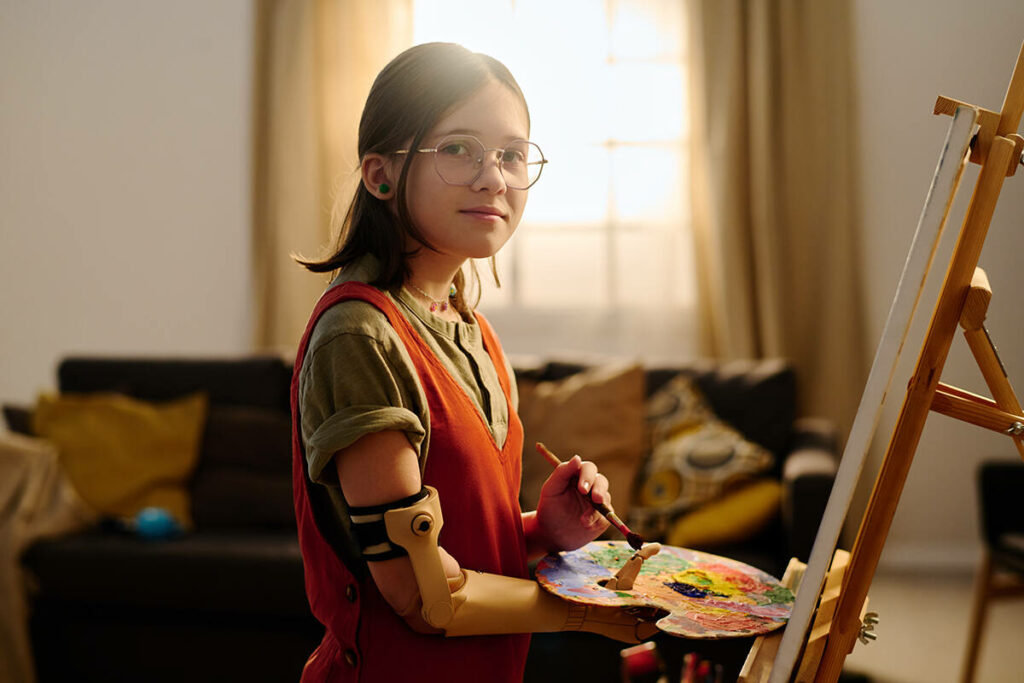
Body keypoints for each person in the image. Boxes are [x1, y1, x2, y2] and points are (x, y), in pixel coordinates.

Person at [291, 42, 653, 683]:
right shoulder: (359, 336)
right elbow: (424, 593)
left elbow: (453, 542)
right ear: (380, 175)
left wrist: (544, 529)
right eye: (458, 149)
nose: (494, 178)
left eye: (512, 155)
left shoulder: (475, 330)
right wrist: (594, 612)